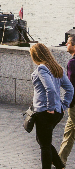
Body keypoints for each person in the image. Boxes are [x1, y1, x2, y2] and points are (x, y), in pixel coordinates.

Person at [30, 43, 74, 169]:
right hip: (57, 111)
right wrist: (63, 106)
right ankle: (60, 166)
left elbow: (50, 89)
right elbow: (70, 89)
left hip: (45, 112)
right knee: (44, 141)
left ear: (36, 55)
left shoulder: (42, 68)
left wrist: (50, 107)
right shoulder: (57, 68)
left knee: (44, 145)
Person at [59, 35, 75, 164]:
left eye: (68, 43)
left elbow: (71, 86)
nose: (66, 45)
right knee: (68, 133)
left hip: (74, 105)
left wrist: (66, 104)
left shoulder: (72, 63)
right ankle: (60, 162)